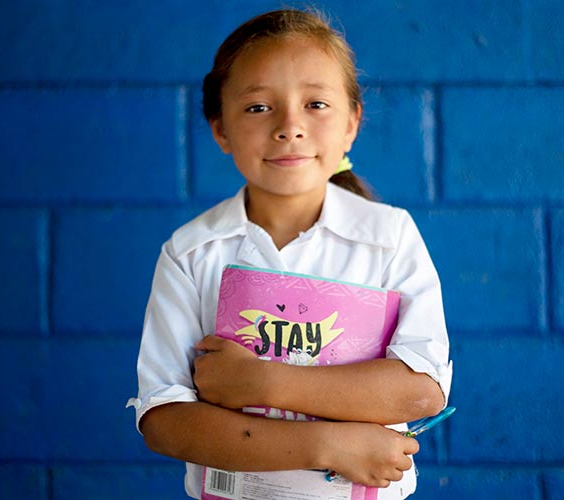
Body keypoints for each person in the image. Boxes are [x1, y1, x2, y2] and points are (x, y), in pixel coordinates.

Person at [127, 9, 453, 499]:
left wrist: (261, 382)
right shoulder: (191, 252)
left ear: (351, 123)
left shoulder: (389, 237)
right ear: (220, 129)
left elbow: (421, 388)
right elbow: (165, 420)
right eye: (258, 108)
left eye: (317, 103)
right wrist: (327, 443)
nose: (290, 127)